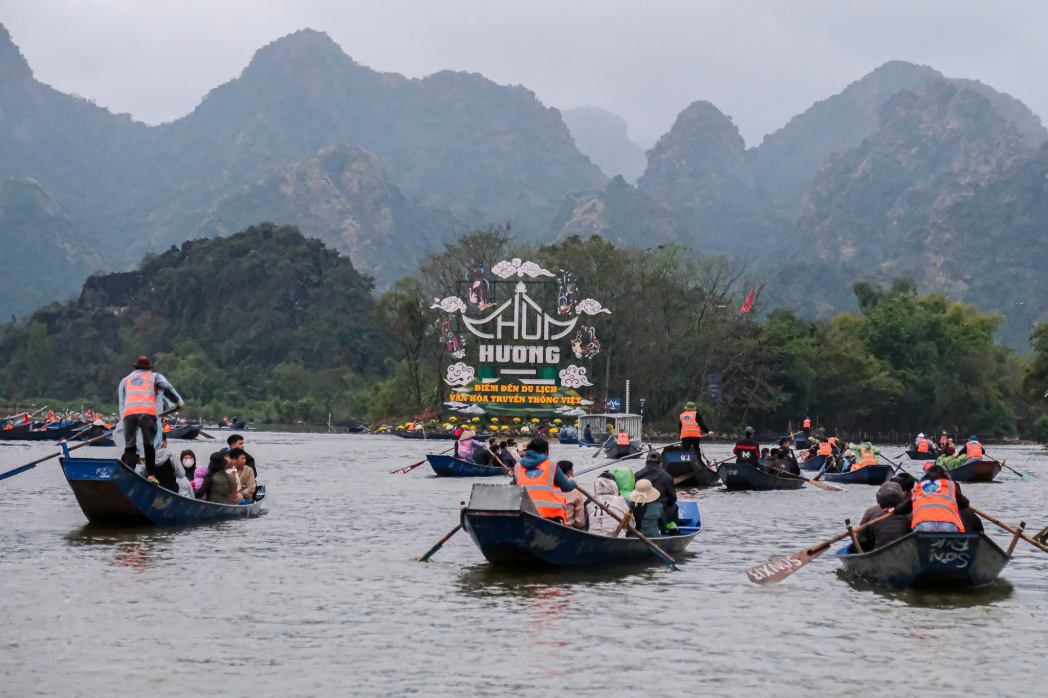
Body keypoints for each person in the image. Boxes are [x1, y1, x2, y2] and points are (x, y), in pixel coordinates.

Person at [118, 355, 184, 485]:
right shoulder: (154, 376)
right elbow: (166, 387)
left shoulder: (126, 379)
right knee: (149, 445)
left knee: (130, 447)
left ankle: (129, 475)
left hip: (129, 414)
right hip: (147, 413)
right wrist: (177, 402)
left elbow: (123, 400)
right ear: (149, 368)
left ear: (135, 367)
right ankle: (151, 475)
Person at [514, 437, 576, 523]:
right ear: (546, 452)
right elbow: (566, 487)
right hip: (549, 515)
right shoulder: (551, 465)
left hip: (525, 513)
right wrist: (572, 481)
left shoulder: (517, 466)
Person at [892, 464, 970, 532]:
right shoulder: (950, 485)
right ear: (944, 476)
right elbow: (965, 504)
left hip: (923, 525)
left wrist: (895, 510)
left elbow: (903, 509)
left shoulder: (919, 487)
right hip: (948, 526)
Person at [854, 481, 911, 551]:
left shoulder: (870, 512)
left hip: (877, 552)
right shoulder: (910, 511)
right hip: (906, 550)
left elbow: (861, 540)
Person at [634, 451, 678, 526]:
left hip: (639, 513)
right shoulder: (667, 477)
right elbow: (672, 499)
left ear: (646, 463)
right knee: (674, 507)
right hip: (660, 513)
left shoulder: (636, 475)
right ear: (661, 464)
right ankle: (670, 529)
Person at [558, 461, 586, 529]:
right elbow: (580, 522)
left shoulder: (548, 488)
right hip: (567, 529)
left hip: (547, 525)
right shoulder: (576, 492)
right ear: (570, 472)